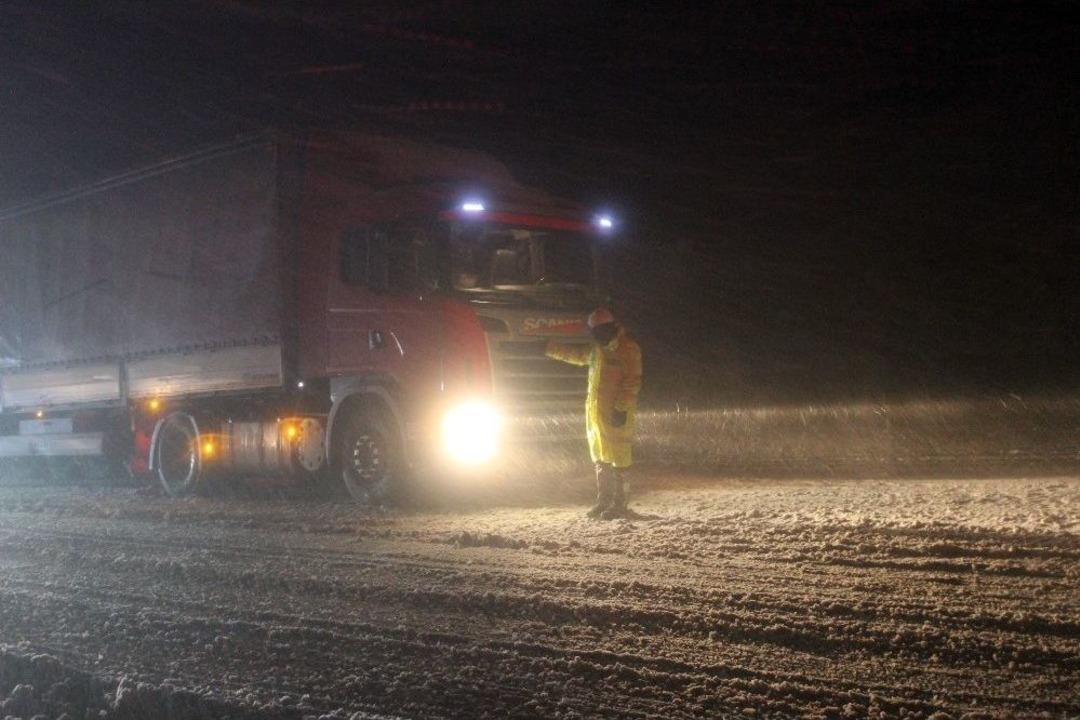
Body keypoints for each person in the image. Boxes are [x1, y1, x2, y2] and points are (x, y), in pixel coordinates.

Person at [546, 308, 642, 519]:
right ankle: (603, 502)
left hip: (617, 414)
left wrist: (621, 408)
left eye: (597, 332)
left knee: (619, 457)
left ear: (608, 328)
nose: (595, 337)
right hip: (597, 415)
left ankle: (620, 504)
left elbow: (632, 381)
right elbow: (577, 356)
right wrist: (550, 348)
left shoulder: (628, 349)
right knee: (600, 456)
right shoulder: (598, 349)